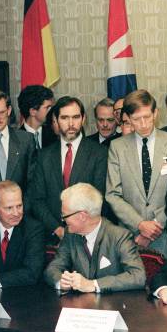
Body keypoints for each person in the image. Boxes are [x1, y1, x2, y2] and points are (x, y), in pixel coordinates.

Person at [106, 90, 167, 256]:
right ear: (128, 119)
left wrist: (156, 225)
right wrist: (140, 225)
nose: (143, 124)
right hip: (129, 235)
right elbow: (113, 194)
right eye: (137, 119)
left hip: (166, 233)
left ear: (156, 113)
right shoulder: (117, 147)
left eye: (147, 117)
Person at [30, 96, 108, 244]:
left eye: (76, 117)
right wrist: (58, 229)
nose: (71, 124)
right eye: (65, 118)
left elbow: (100, 197)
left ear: (83, 119)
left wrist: (77, 227)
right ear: (56, 120)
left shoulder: (99, 153)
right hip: (51, 237)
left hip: (88, 236)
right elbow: (37, 200)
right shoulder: (43, 155)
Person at [44, 183, 146, 293]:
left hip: (113, 305)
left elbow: (138, 276)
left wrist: (93, 284)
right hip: (79, 306)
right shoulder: (70, 234)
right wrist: (62, 281)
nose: (63, 220)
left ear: (82, 216)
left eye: (65, 216)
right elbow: (52, 268)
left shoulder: (119, 236)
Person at [0, 90, 36, 219]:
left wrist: (19, 211)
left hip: (21, 216)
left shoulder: (26, 140)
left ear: (9, 110)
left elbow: (33, 182)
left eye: (2, 113)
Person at [0, 181, 44, 289]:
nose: (16, 213)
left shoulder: (34, 229)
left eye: (19, 206)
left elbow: (32, 273)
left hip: (23, 297)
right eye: (9, 208)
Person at [17, 85, 57, 149]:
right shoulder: (15, 140)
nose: (52, 111)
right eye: (48, 107)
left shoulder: (55, 135)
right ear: (33, 111)